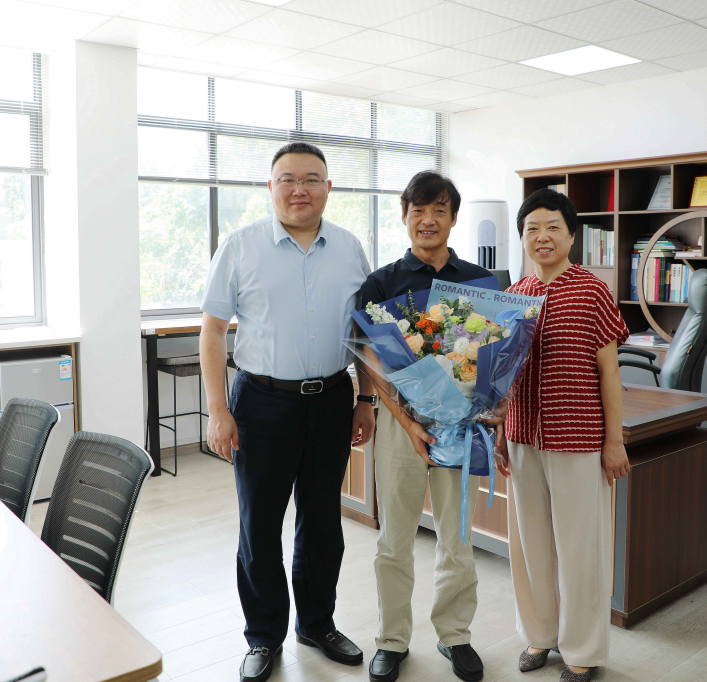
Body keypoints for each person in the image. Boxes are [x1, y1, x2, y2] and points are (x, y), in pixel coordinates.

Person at [200, 142, 377, 682]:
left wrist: (365, 399)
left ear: (328, 187)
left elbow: (365, 333)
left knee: (322, 521)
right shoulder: (240, 246)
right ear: (271, 186)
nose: (300, 189)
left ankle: (317, 624)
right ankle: (264, 635)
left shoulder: (349, 249)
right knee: (259, 525)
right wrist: (217, 410)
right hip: (262, 402)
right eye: (288, 179)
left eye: (311, 179)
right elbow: (212, 331)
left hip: (332, 400)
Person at [358, 171, 493, 682]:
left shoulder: (481, 282)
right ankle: (391, 640)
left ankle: (454, 634)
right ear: (404, 216)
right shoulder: (381, 285)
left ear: (453, 218)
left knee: (456, 537)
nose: (428, 219)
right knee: (395, 537)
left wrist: (493, 406)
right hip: (402, 424)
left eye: (439, 209)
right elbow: (371, 362)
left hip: (461, 422)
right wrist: (407, 421)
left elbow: (495, 354)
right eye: (418, 210)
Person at [495, 189, 631, 682]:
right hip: (522, 436)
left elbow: (610, 373)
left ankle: (582, 649)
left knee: (579, 548)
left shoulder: (592, 291)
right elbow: (503, 374)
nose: (542, 236)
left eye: (553, 226)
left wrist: (614, 441)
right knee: (531, 545)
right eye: (532, 228)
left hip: (577, 438)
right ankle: (540, 634)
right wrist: (501, 432)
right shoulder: (515, 294)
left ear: (572, 236)